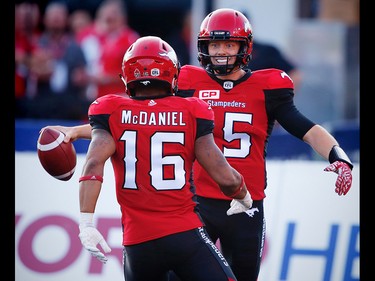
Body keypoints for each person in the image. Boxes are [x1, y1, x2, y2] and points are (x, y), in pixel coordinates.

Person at [42, 8, 354, 281]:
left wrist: (338, 155)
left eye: (228, 44)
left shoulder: (268, 86)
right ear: (203, 46)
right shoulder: (190, 82)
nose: (220, 51)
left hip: (247, 203)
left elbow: (306, 128)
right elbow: (135, 118)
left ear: (244, 47)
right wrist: (77, 131)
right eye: (214, 44)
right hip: (198, 203)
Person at [46, 35, 253, 281]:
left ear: (127, 75)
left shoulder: (111, 111)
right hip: (184, 235)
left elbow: (93, 163)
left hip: (137, 245)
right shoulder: (191, 110)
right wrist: (244, 196)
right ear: (172, 73)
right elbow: (224, 176)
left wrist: (86, 223)